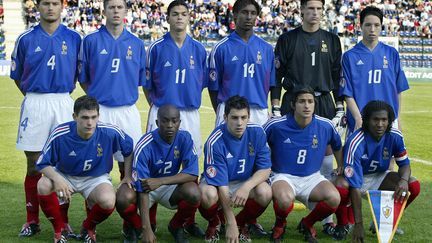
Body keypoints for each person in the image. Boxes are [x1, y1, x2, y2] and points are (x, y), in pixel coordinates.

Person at [10, 0, 81, 237]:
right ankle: (32, 221)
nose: (50, 8)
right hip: (35, 102)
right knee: (33, 165)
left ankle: (64, 222)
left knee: (63, 165)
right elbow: (17, 76)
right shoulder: (25, 39)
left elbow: (80, 74)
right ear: (37, 7)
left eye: (54, 3)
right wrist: (34, 97)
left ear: (62, 7)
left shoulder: (74, 38)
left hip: (62, 101)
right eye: (45, 3)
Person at [273, 0, 344, 232]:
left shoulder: (333, 40)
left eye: (319, 9)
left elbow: (336, 74)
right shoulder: (287, 39)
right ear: (301, 10)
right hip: (294, 100)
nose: (315, 13)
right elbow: (277, 74)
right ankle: (280, 214)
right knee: (286, 155)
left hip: (323, 101)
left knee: (325, 156)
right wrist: (275, 105)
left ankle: (325, 219)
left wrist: (340, 104)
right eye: (310, 8)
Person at [143, 0, 207, 236]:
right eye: (175, 14)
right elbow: (147, 87)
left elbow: (202, 85)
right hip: (162, 113)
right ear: (167, 18)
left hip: (189, 114)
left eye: (183, 14)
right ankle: (148, 223)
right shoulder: (156, 48)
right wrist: (159, 110)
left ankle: (185, 222)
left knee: (191, 167)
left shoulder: (199, 49)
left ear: (189, 17)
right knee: (152, 165)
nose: (179, 17)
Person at [36, 95, 134, 243]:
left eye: (94, 117)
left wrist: (127, 175)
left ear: (99, 116)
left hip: (96, 178)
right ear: (75, 116)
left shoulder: (110, 131)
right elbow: (41, 163)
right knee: (43, 185)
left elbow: (129, 149)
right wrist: (57, 179)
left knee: (108, 200)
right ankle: (59, 230)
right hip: (65, 175)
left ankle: (88, 228)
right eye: (85, 117)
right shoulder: (60, 133)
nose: (90, 122)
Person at [264, 86, 343, 243]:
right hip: (283, 176)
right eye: (302, 102)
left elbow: (337, 145)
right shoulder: (275, 125)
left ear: (315, 104)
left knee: (334, 198)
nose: (306, 106)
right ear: (293, 104)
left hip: (312, 177)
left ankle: (307, 223)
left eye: (310, 101)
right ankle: (280, 225)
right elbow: (258, 144)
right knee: (285, 199)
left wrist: (340, 164)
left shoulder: (325, 125)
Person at [79, 0, 146, 180]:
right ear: (104, 11)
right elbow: (83, 79)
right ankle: (97, 205)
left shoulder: (137, 44)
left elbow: (140, 80)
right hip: (100, 111)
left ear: (126, 11)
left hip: (127, 111)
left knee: (130, 164)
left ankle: (129, 206)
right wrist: (97, 97)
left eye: (119, 7)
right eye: (111, 7)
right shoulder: (91, 41)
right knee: (96, 162)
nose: (116, 11)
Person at [116, 104, 201, 243]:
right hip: (145, 187)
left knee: (194, 192)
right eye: (165, 121)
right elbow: (143, 187)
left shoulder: (185, 138)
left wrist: (161, 181)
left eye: (174, 121)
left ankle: (176, 226)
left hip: (168, 185)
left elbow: (192, 173)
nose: (170, 125)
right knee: (123, 197)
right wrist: (146, 229)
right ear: (157, 122)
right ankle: (136, 227)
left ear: (179, 122)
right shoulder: (145, 144)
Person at [339, 100, 420, 243]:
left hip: (380, 176)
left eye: (384, 120)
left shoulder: (395, 135)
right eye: (375, 119)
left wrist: (403, 180)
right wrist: (359, 224)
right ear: (367, 120)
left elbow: (405, 164)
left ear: (389, 121)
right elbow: (355, 185)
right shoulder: (356, 141)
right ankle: (344, 222)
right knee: (341, 186)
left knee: (412, 184)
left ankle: (384, 221)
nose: (380, 124)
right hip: (357, 180)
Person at [199, 95, 272, 242]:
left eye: (243, 117)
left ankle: (241, 223)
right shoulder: (215, 141)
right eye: (234, 118)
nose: (239, 123)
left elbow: (265, 169)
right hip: (219, 184)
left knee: (265, 192)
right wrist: (229, 222)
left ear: (249, 117)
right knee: (207, 194)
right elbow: (222, 185)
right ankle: (215, 223)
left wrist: (246, 187)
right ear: (225, 117)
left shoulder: (257, 132)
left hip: (244, 181)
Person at [208, 0, 278, 128]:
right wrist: (223, 111)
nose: (249, 17)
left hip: (258, 112)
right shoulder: (221, 48)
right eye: (244, 12)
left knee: (259, 148)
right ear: (235, 15)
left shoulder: (266, 49)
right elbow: (213, 88)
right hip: (230, 111)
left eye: (253, 13)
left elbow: (273, 84)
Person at [341, 6, 409, 134]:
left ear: (381, 26)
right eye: (368, 25)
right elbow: (347, 93)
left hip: (387, 121)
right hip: (360, 121)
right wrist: (357, 118)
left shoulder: (392, 53)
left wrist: (397, 118)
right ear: (360, 26)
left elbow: (398, 90)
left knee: (389, 154)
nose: (372, 29)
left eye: (377, 25)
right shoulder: (349, 56)